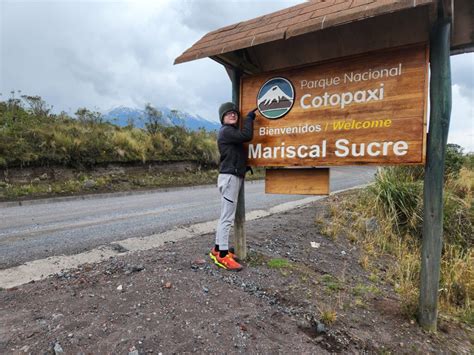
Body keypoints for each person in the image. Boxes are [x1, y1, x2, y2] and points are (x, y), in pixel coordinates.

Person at [209, 102, 256, 271]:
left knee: (225, 216)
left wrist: (244, 166)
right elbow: (247, 135)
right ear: (222, 117)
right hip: (229, 178)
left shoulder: (229, 132)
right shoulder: (227, 131)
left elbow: (234, 154)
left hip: (230, 176)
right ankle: (222, 256)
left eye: (235, 113)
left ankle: (217, 249)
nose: (233, 115)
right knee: (227, 218)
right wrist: (249, 118)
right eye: (229, 113)